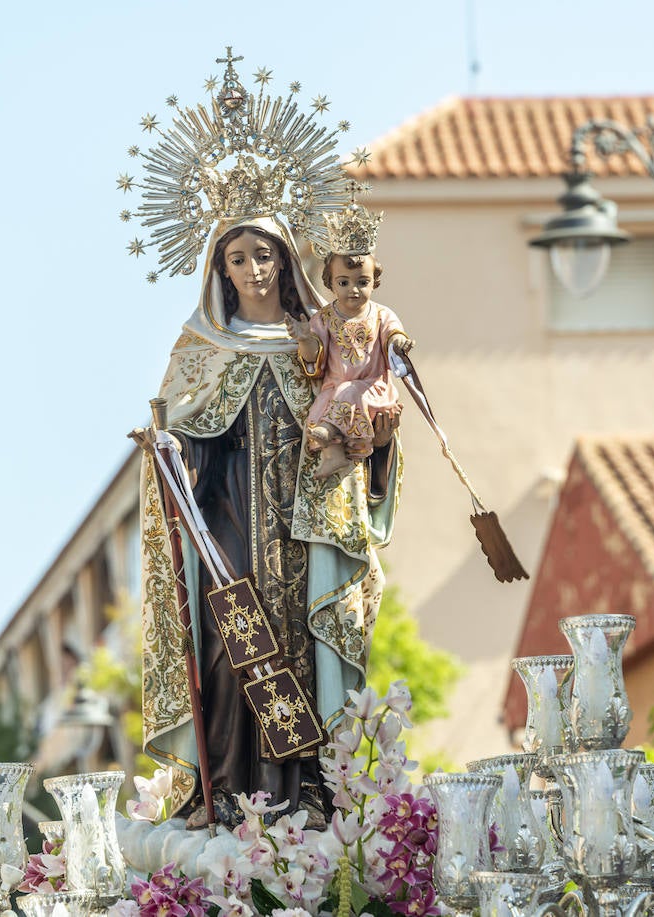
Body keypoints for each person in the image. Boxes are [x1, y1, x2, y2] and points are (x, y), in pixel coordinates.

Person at [136, 215, 403, 830]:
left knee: (301, 641)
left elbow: (365, 400)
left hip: (305, 522)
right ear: (220, 270)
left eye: (264, 255)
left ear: (285, 260)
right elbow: (184, 434)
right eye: (238, 258)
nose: (253, 269)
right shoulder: (202, 346)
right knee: (235, 639)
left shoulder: (318, 337)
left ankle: (310, 787)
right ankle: (228, 784)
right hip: (226, 520)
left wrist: (372, 432)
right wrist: (172, 448)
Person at [285, 247, 413, 479]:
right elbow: (315, 358)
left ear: (374, 282)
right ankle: (334, 456)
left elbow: (393, 335)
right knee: (323, 405)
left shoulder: (381, 315)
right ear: (330, 284)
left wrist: (399, 342)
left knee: (346, 392)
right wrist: (304, 339)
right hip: (335, 390)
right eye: (344, 283)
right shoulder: (323, 318)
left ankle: (332, 432)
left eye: (362, 282)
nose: (353, 290)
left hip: (373, 389)